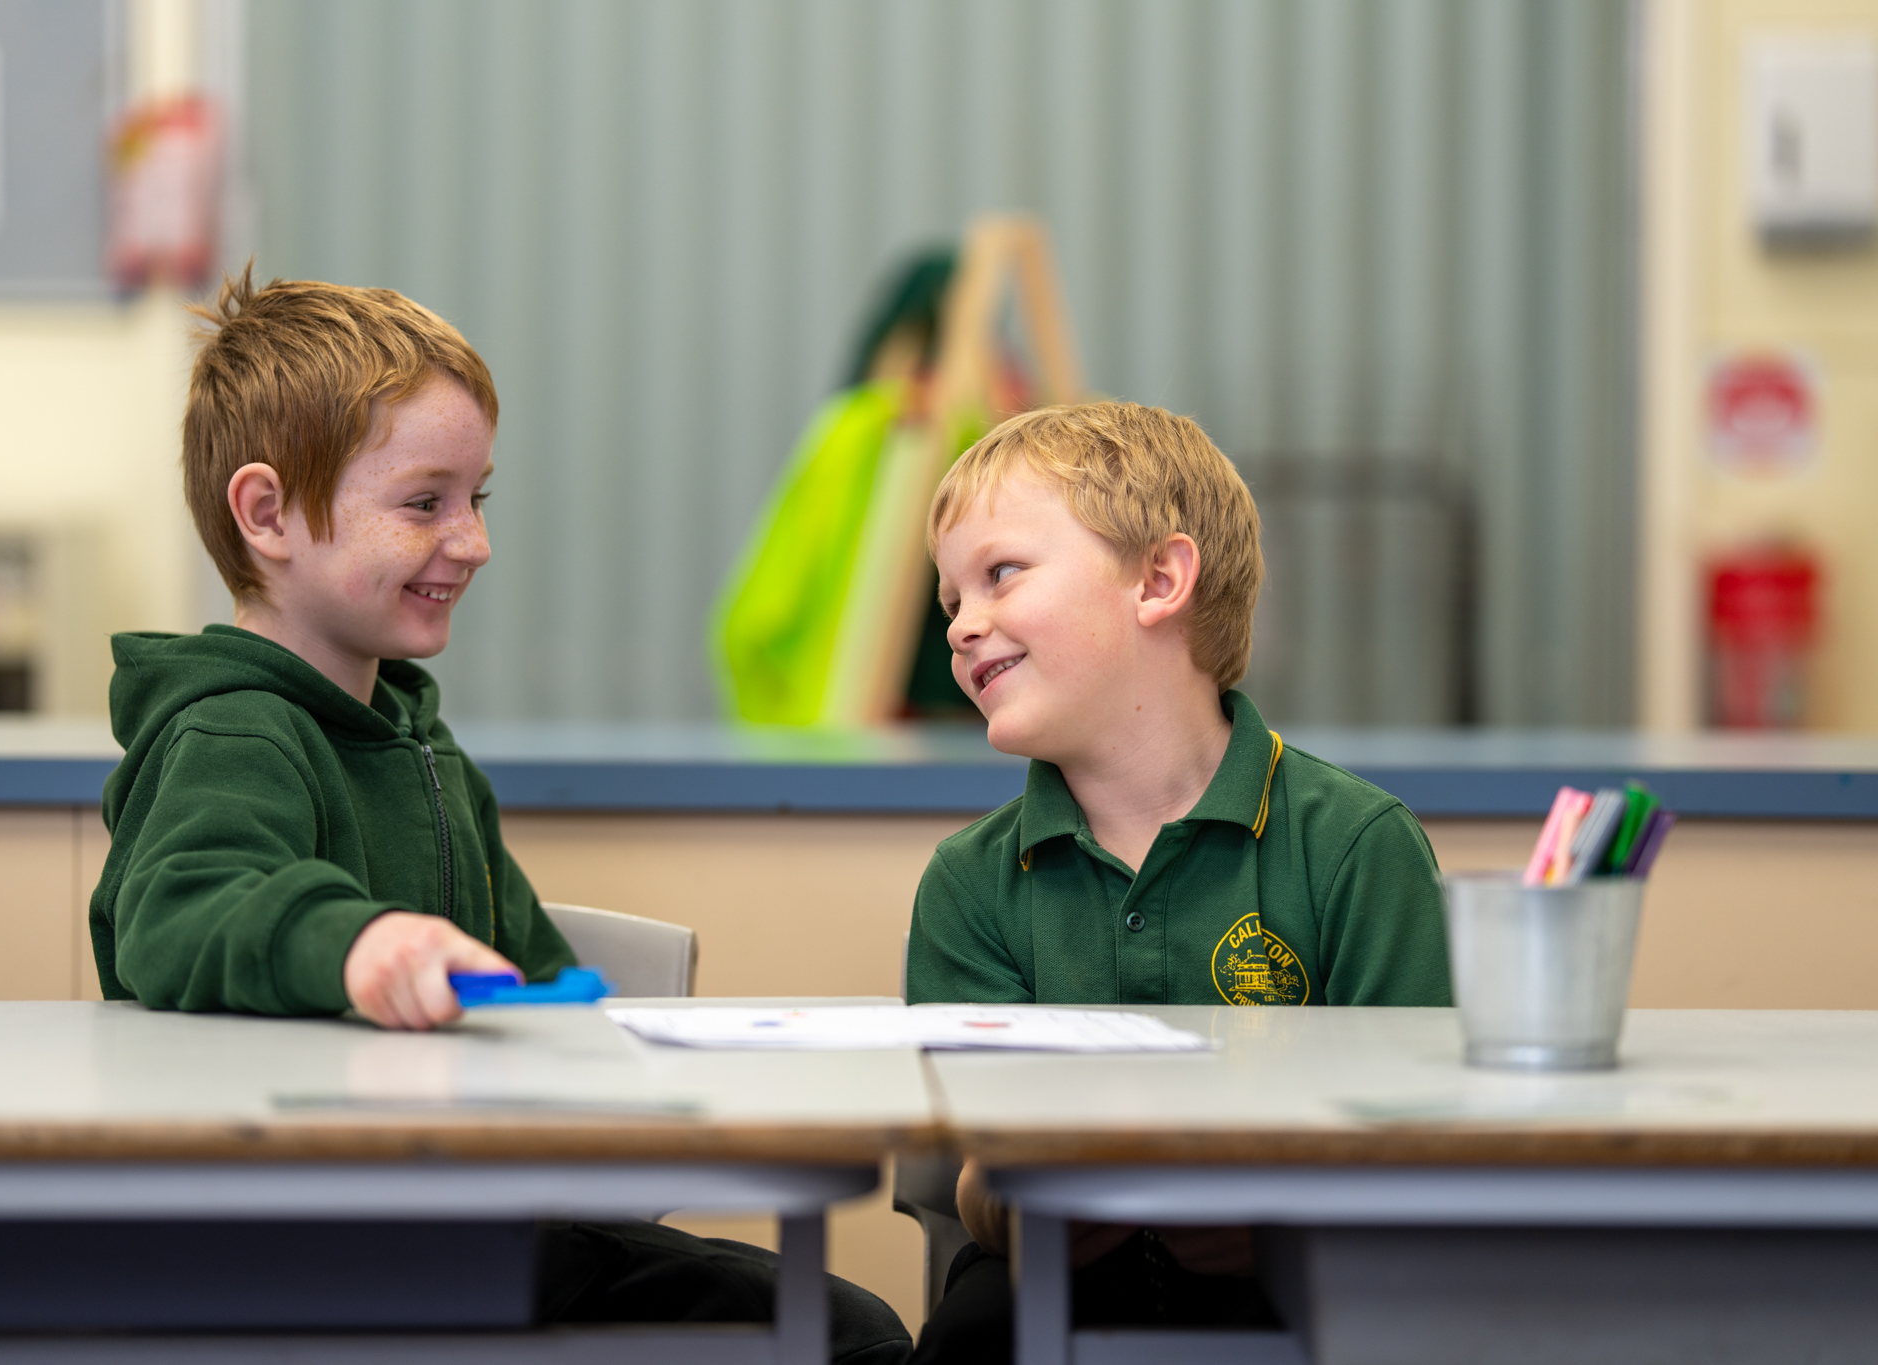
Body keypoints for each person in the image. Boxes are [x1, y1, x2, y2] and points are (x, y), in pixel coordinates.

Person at [90, 267, 910, 1363]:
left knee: (848, 1327)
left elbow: (530, 986)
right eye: (424, 503)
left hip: (461, 1218)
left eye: (477, 499)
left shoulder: (420, 746)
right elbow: (183, 909)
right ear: (268, 513)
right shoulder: (233, 732)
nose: (472, 540)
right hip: (309, 1248)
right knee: (845, 1338)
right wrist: (359, 944)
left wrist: (658, 1059)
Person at [904, 402, 1451, 1363]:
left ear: (1159, 580)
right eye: (951, 600)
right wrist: (1030, 1193)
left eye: (1001, 573)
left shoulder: (1359, 847)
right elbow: (975, 1180)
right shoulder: (968, 882)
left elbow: (1425, 1144)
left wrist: (1280, 1215)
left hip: (1310, 1275)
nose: (962, 627)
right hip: (1046, 1282)